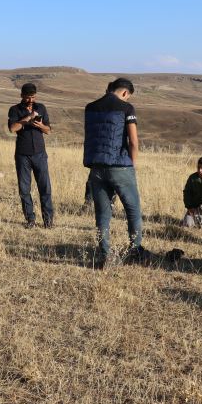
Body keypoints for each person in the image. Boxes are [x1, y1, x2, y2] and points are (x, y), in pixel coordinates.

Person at [83, 78, 143, 268]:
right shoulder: (127, 108)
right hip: (120, 167)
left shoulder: (90, 107)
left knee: (102, 213)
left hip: (96, 167)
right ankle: (135, 250)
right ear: (125, 93)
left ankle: (106, 255)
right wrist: (131, 165)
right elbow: (133, 142)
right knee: (132, 210)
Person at [7, 82, 54, 228]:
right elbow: (12, 128)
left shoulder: (42, 108)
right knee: (24, 189)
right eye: (28, 97)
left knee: (45, 188)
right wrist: (28, 118)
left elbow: (48, 130)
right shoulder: (14, 109)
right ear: (22, 96)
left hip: (40, 153)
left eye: (33, 97)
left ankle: (48, 221)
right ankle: (30, 220)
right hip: (22, 155)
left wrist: (40, 125)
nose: (31, 100)